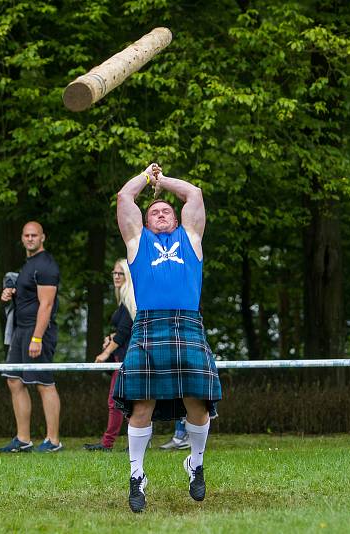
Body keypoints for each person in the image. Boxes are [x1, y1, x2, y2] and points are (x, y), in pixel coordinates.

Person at [113, 163, 222, 512]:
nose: (160, 214)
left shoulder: (190, 239)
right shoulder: (136, 242)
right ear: (145, 222)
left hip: (187, 323)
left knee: (197, 402)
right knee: (141, 404)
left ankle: (196, 464)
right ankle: (137, 476)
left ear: (176, 220)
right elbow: (124, 196)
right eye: (154, 212)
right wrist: (146, 177)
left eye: (165, 211)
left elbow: (195, 194)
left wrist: (163, 181)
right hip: (148, 325)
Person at [0, 221, 63, 453]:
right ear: (22, 238)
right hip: (20, 330)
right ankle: (23, 439)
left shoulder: (46, 265)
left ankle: (53, 441)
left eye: (34, 235)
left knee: (44, 383)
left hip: (38, 332)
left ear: (42, 237)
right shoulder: (29, 265)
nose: (30, 239)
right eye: (26, 235)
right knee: (14, 380)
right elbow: (27, 295)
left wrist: (37, 338)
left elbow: (46, 305)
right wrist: (11, 292)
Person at [83, 259, 136, 452]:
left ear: (128, 276)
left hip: (127, 359)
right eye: (114, 273)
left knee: (118, 401)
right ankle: (115, 443)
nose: (115, 276)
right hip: (124, 358)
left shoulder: (130, 299)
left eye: (120, 273)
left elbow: (124, 333)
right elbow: (125, 330)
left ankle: (111, 443)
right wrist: (111, 337)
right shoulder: (124, 300)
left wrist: (105, 353)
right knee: (122, 401)